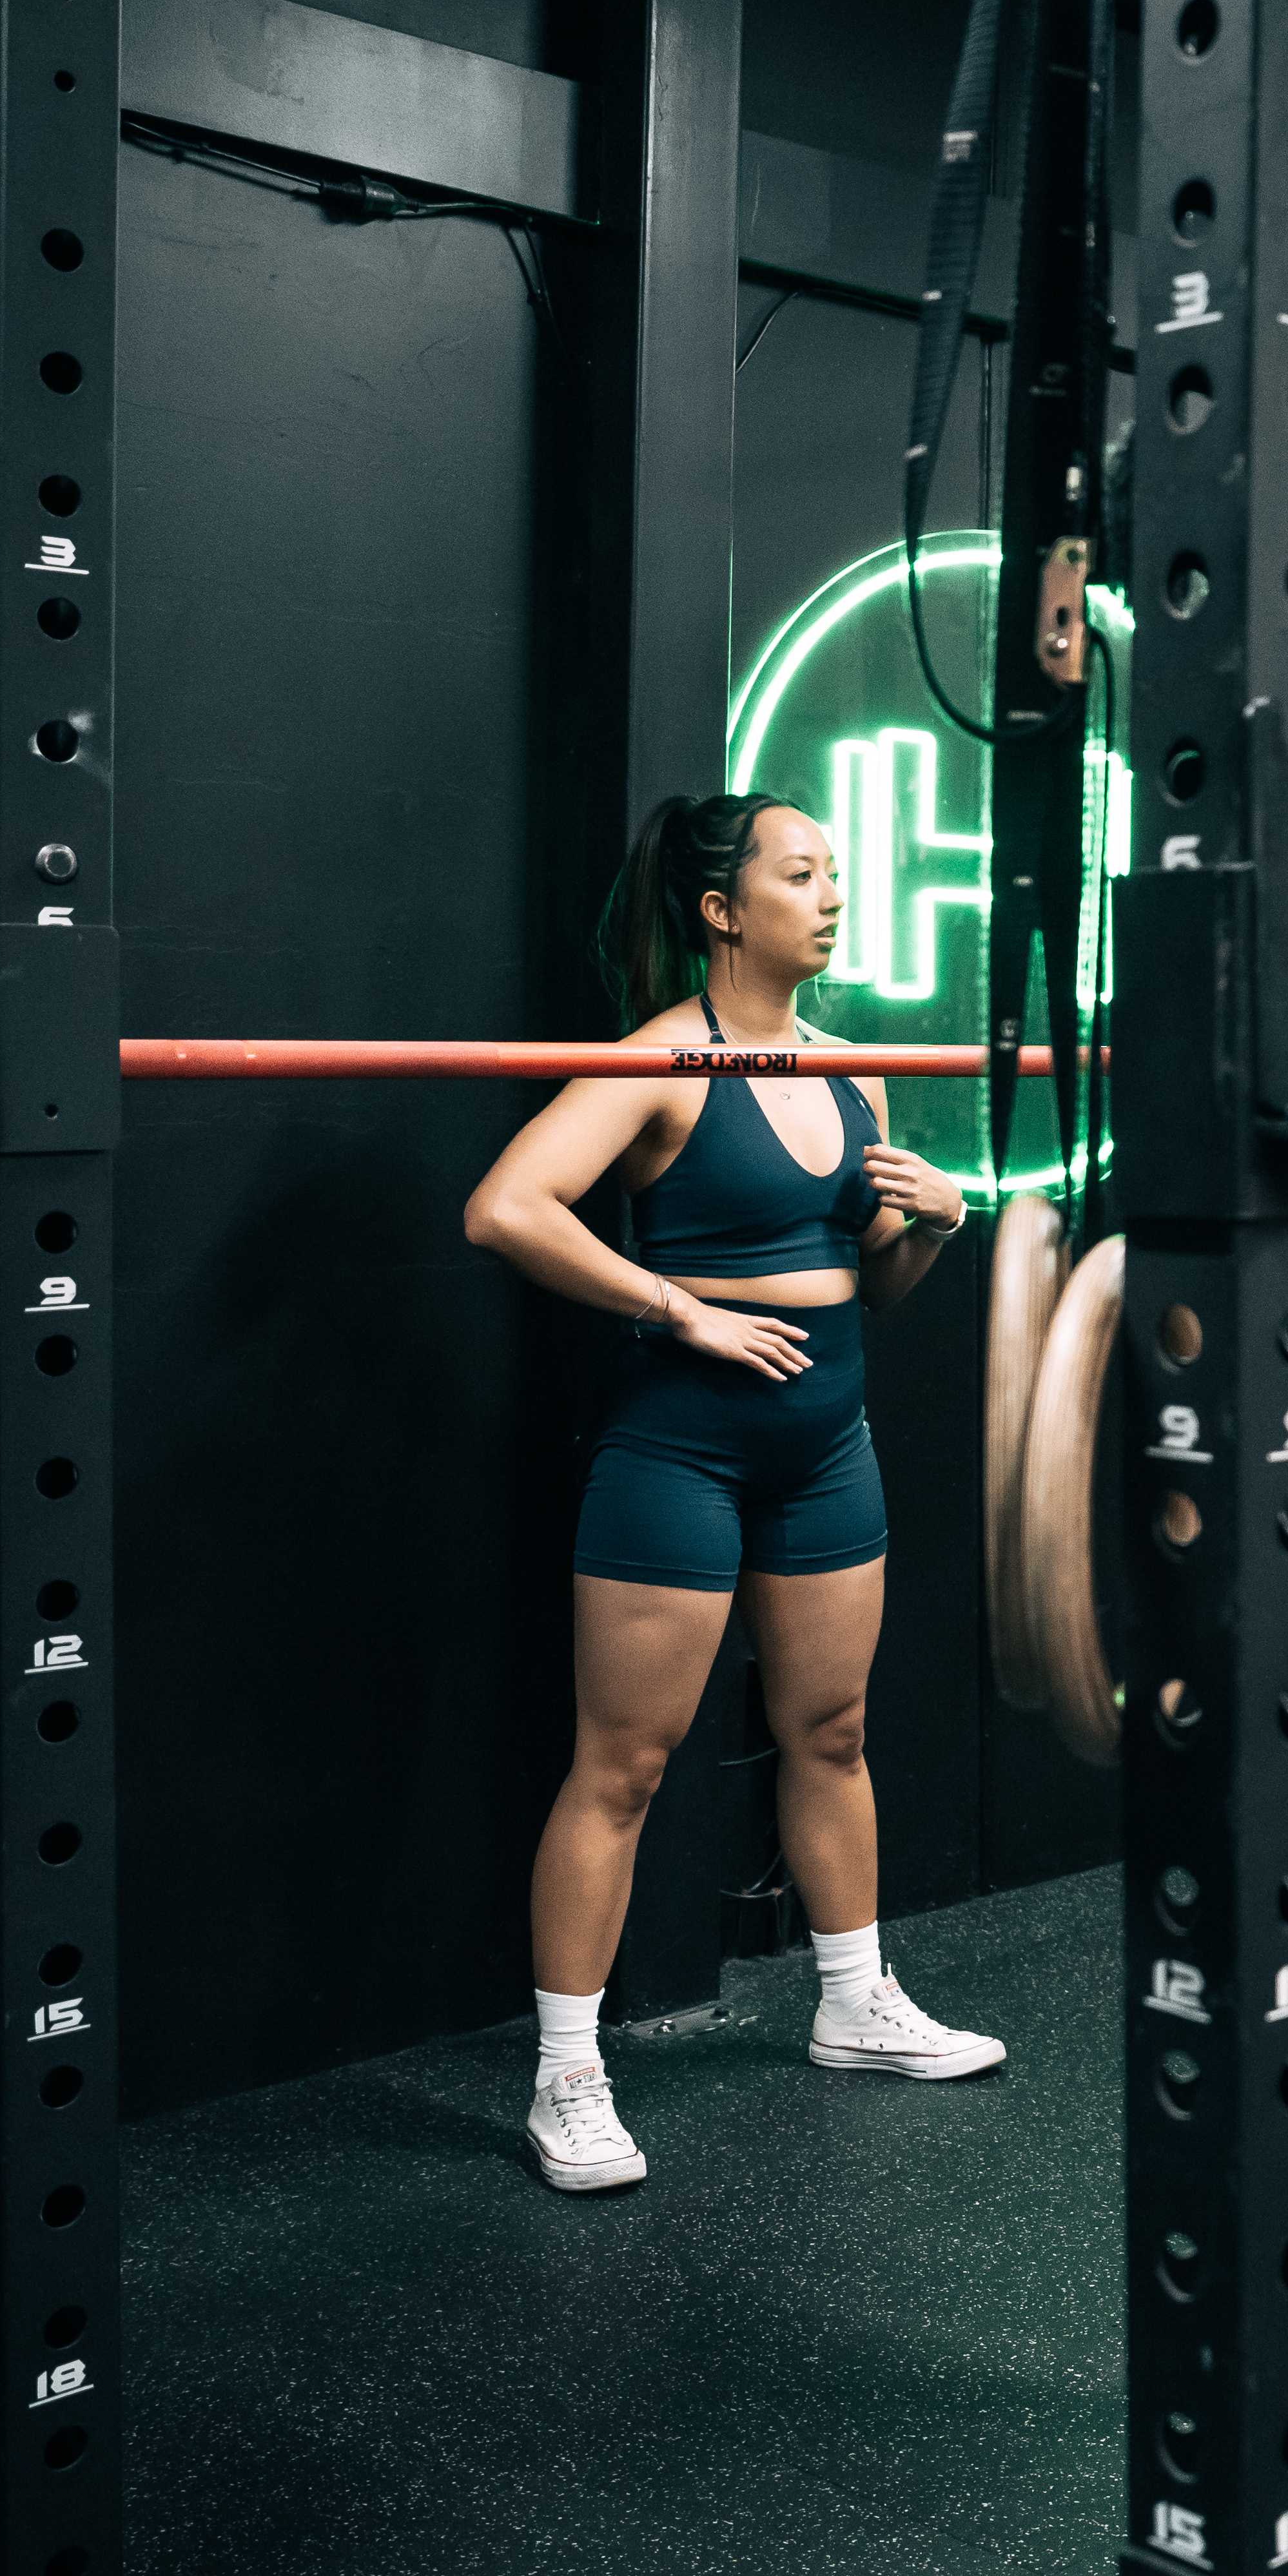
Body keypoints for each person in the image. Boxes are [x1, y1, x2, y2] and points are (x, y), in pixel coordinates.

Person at [464, 793, 1003, 2193]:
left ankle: (853, 1998)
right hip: (683, 1447)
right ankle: (567, 2076)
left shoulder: (854, 1066)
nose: (833, 895)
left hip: (828, 1439)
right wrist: (675, 1309)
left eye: (838, 872)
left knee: (831, 1727)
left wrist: (939, 1220)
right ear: (721, 907)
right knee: (625, 1765)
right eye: (803, 873)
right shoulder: (660, 1061)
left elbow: (878, 1271)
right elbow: (507, 1207)